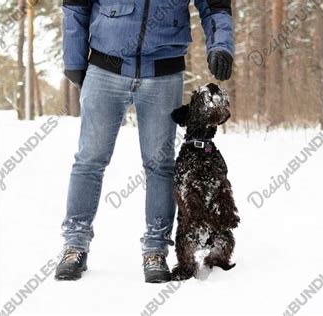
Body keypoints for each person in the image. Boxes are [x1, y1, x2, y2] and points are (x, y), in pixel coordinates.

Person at [54, 0, 234, 283]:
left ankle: (156, 250)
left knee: (160, 165)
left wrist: (220, 44)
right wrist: (73, 59)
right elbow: (76, 5)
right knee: (90, 159)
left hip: (163, 72)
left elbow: (215, 6)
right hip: (105, 66)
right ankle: (74, 245)